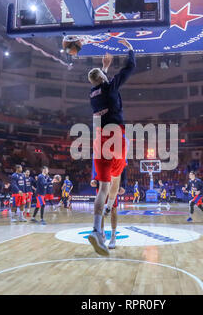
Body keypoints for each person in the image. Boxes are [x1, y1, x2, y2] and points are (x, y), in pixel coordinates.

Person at [87, 39, 136, 256]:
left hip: (99, 140)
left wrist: (104, 69)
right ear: (104, 78)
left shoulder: (92, 94)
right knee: (116, 179)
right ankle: (110, 206)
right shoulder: (110, 87)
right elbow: (129, 68)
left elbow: (99, 83)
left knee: (102, 188)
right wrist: (130, 50)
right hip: (115, 137)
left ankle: (97, 229)